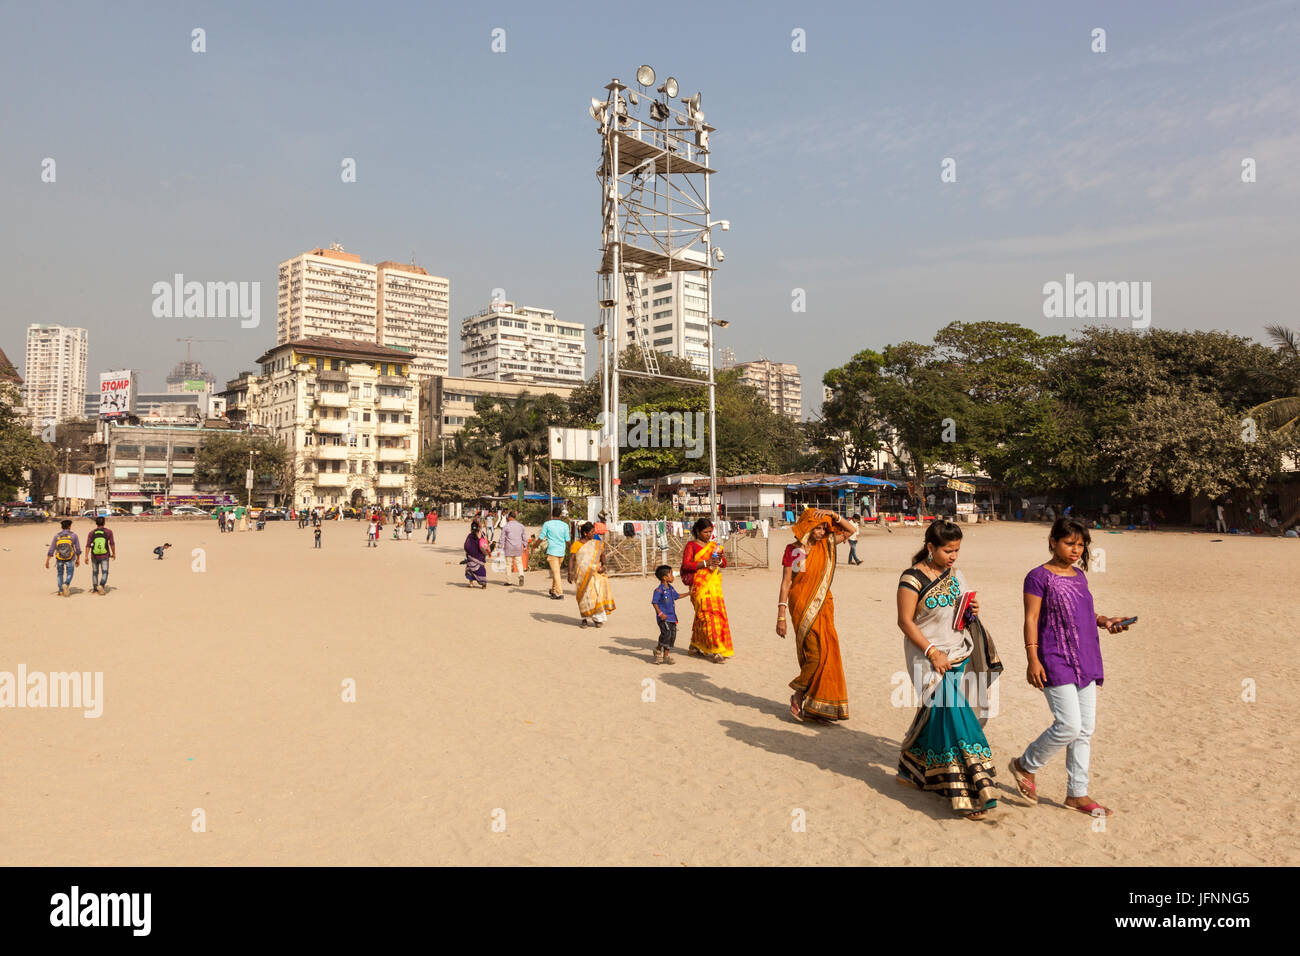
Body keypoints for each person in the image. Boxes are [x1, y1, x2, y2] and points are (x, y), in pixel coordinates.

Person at [1006, 518, 1131, 818]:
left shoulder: (1079, 576)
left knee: (1085, 730)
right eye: (1069, 543)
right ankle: (1026, 764)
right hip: (1054, 656)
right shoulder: (1037, 577)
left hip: (1086, 656)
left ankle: (1077, 793)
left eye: (1080, 545)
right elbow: (1031, 618)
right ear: (1052, 542)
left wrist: (1106, 621)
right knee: (1068, 725)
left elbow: (1085, 611)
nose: (1076, 550)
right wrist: (1032, 658)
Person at [895, 519, 1002, 819]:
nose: (953, 556)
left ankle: (910, 768)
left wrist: (973, 610)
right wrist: (932, 653)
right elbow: (905, 622)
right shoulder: (912, 579)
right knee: (957, 717)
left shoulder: (955, 574)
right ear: (930, 547)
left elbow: (959, 612)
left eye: (957, 550)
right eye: (947, 550)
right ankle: (968, 789)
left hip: (959, 653)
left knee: (939, 715)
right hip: (927, 659)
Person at [776, 508, 857, 721]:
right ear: (807, 526)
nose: (821, 532)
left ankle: (815, 701)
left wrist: (832, 514)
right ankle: (799, 693)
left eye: (823, 528)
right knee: (814, 654)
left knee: (828, 650)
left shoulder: (826, 545)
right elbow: (787, 582)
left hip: (823, 605)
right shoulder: (794, 551)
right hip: (800, 605)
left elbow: (852, 529)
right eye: (817, 527)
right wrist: (781, 615)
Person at [682, 518, 732, 662]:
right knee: (708, 616)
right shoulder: (691, 546)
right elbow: (686, 565)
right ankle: (716, 649)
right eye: (706, 532)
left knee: (710, 615)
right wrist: (705, 563)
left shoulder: (714, 546)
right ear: (698, 531)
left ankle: (695, 645)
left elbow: (724, 563)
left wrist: (719, 561)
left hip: (714, 585)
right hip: (699, 586)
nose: (709, 534)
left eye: (710, 531)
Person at [567, 521, 615, 627]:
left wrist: (604, 566)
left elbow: (602, 555)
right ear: (585, 533)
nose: (594, 533)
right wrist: (570, 573)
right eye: (592, 531)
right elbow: (571, 559)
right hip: (581, 575)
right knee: (583, 596)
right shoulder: (577, 544)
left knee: (596, 595)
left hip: (595, 574)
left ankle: (597, 619)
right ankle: (584, 618)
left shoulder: (596, 543)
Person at [651, 564, 688, 664]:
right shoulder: (658, 590)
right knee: (666, 633)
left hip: (672, 617)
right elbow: (654, 603)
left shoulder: (671, 589)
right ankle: (658, 651)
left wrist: (689, 593)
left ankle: (666, 656)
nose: (673, 576)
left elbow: (677, 596)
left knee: (672, 636)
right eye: (671, 574)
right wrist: (660, 614)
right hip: (663, 618)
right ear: (664, 577)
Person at [539, 508, 571, 600]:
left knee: (556, 573)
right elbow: (567, 540)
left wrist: (534, 546)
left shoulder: (547, 524)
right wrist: (571, 548)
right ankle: (553, 591)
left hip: (552, 551)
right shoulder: (565, 525)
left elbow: (541, 537)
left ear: (551, 514)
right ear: (560, 515)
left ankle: (560, 593)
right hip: (561, 552)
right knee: (555, 572)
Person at [45, 519, 82, 597]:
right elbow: (78, 548)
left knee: (60, 574)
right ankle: (66, 584)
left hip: (59, 558)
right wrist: (78, 558)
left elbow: (52, 549)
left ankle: (61, 591)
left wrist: (47, 560)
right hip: (70, 558)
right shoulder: (73, 535)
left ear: (61, 527)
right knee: (70, 573)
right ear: (69, 526)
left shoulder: (57, 536)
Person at [86, 515, 116, 595]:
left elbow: (88, 545)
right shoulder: (109, 532)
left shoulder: (91, 533)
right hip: (105, 555)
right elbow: (112, 543)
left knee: (95, 572)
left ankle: (95, 589)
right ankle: (101, 585)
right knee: (105, 572)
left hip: (94, 555)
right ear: (104, 523)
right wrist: (113, 553)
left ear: (96, 523)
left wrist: (86, 556)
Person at [500, 510, 528, 586]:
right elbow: (524, 537)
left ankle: (509, 581)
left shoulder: (506, 526)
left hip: (508, 547)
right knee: (519, 563)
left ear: (509, 517)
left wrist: (499, 547)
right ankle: (521, 575)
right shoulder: (521, 526)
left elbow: (502, 538)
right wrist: (525, 545)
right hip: (518, 547)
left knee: (508, 564)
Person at [464, 520, 489, 588]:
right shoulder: (482, 534)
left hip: (471, 557)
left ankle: (471, 584)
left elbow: (466, 546)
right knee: (481, 570)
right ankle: (483, 583)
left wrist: (468, 553)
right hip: (480, 557)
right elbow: (486, 543)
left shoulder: (470, 536)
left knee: (470, 570)